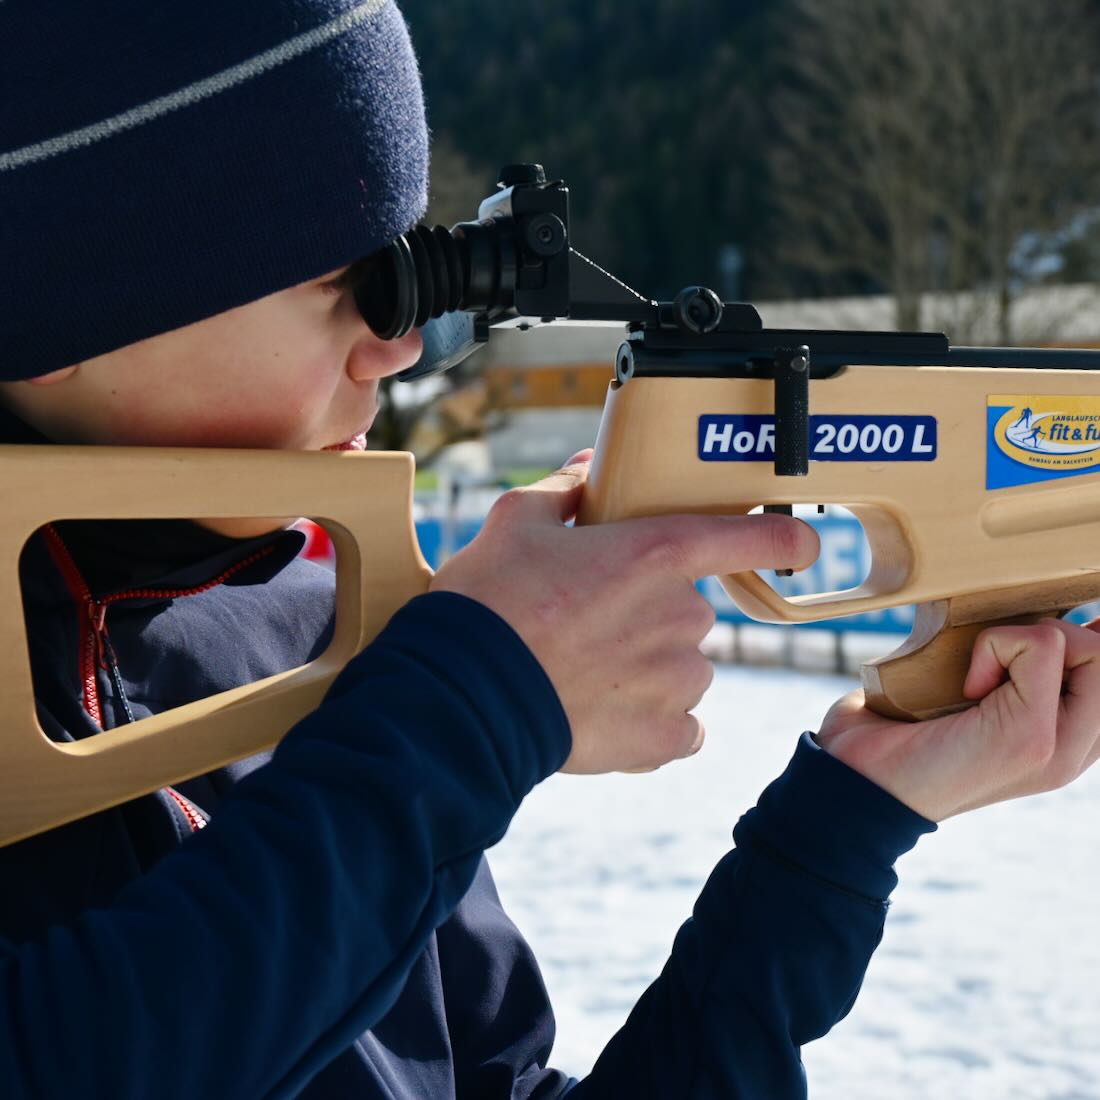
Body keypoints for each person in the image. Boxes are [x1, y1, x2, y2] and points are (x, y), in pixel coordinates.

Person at [1, 3, 1098, 1098]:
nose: (396, 348)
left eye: (400, 272)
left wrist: (840, 829)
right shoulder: (396, 693)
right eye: (338, 284)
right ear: (57, 298)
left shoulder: (311, 621)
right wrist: (476, 703)